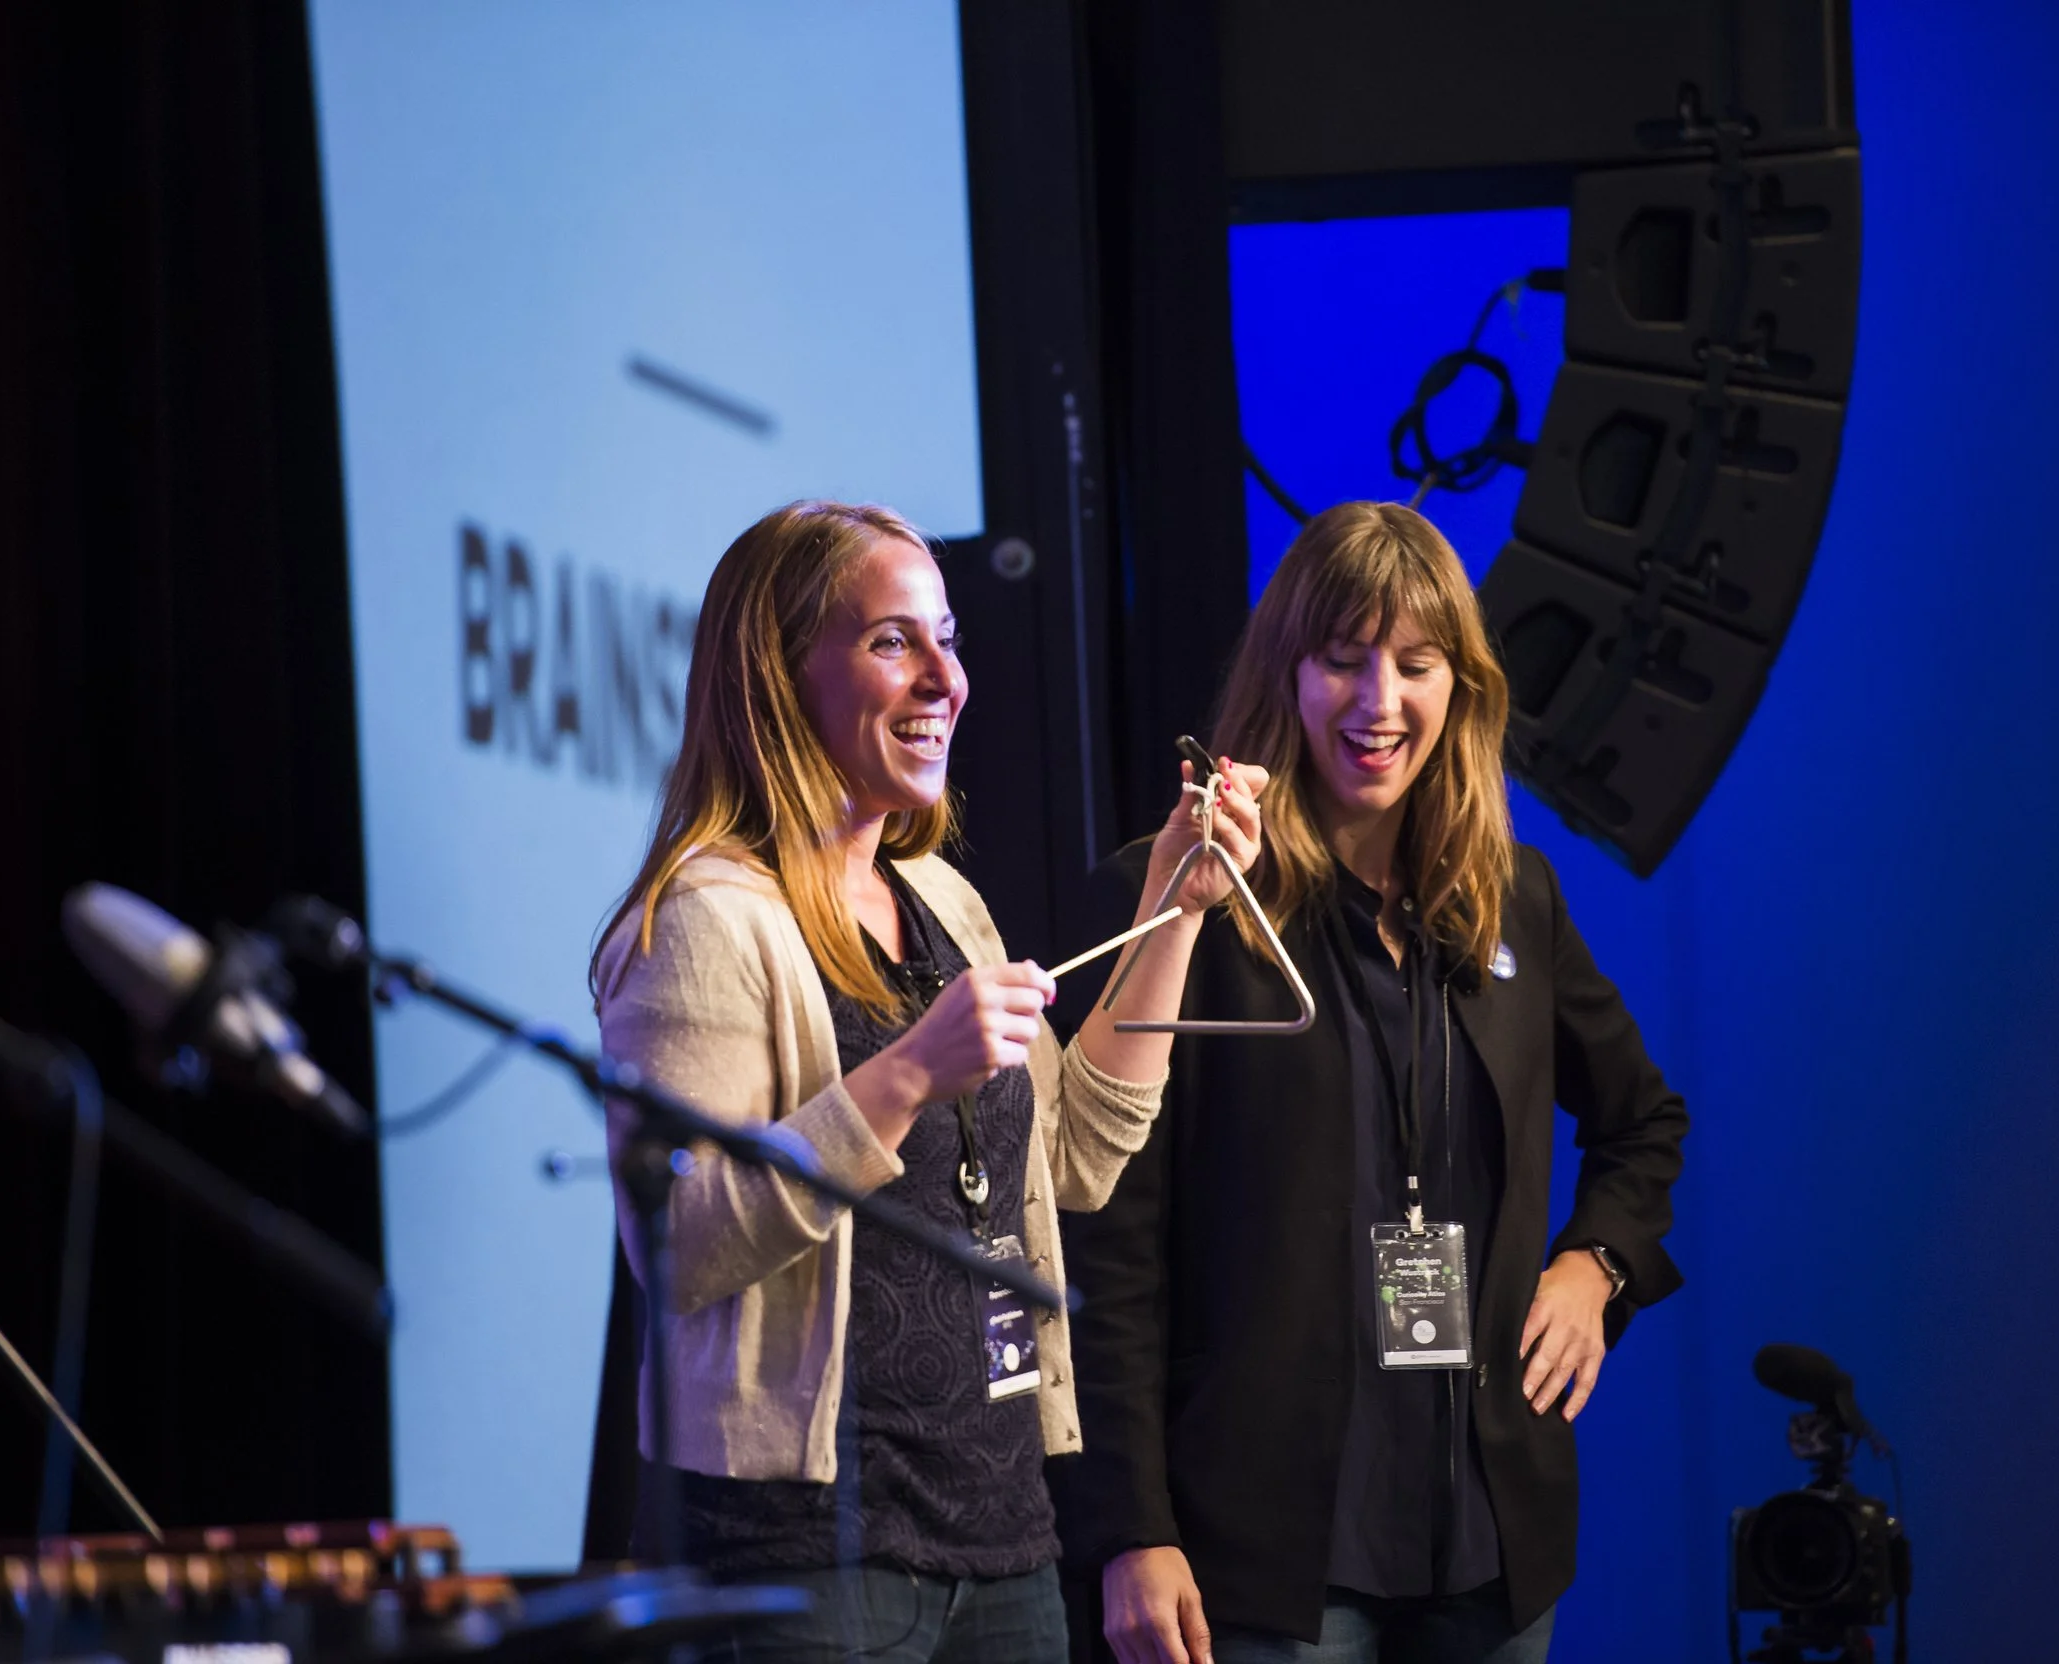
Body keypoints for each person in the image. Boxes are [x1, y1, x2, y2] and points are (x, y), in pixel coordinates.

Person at [590, 500, 1264, 1664]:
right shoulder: (701, 920)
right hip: (805, 1557)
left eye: (946, 638)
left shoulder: (943, 902)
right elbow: (679, 1242)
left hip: (1001, 1538)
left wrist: (1175, 908)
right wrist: (904, 1074)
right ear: (777, 672)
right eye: (893, 640)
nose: (944, 677)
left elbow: (1075, 1161)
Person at [1053, 502, 1690, 1664]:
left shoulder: (1513, 899)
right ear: (1283, 675)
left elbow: (1643, 1120)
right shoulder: (1181, 903)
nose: (1377, 704)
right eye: (1341, 662)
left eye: (1415, 664)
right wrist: (1126, 1528)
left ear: (1463, 685)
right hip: (1257, 1553)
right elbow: (1100, 1243)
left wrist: (1595, 1264)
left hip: (1491, 1545)